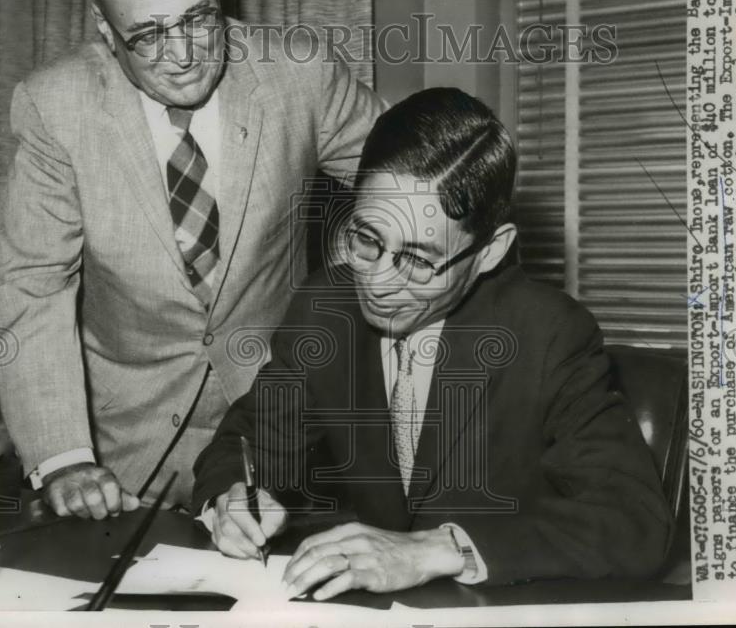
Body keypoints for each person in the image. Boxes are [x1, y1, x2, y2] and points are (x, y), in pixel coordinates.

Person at [0, 0, 384, 517]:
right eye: (147, 34)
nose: (185, 54)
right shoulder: (56, 107)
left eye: (199, 17)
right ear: (104, 26)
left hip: (278, 444)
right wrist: (65, 457)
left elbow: (418, 172)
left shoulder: (298, 75)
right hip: (121, 464)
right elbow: (29, 285)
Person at [192, 88, 673, 596]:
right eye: (366, 239)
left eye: (419, 261)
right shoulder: (326, 309)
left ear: (490, 252)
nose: (377, 281)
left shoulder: (548, 334)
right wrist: (233, 500)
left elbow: (635, 522)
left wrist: (441, 549)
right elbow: (247, 441)